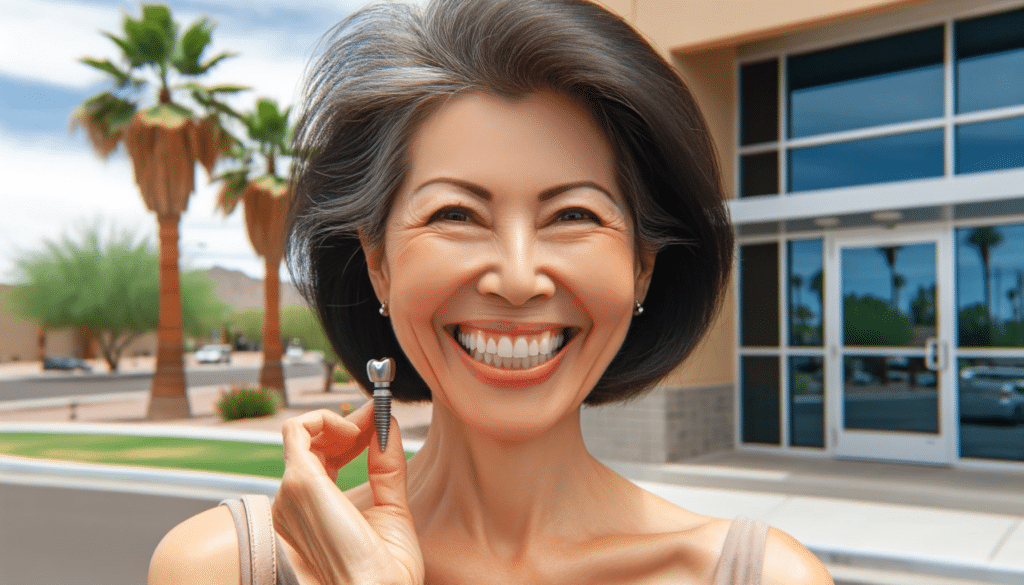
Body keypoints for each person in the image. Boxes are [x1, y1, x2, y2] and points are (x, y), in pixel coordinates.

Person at [149, 0, 834, 583]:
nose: (514, 277)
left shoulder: (762, 575)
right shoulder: (225, 566)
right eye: (456, 215)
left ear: (642, 268)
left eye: (574, 216)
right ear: (378, 263)